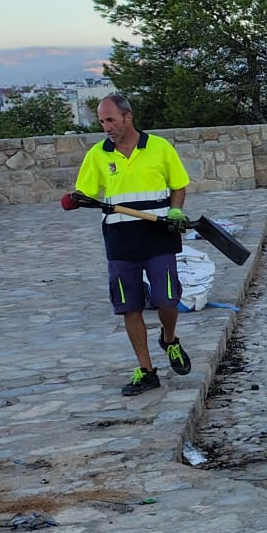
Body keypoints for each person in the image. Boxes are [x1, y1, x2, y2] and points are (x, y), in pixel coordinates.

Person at [74, 94, 194, 395]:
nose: (106, 127)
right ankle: (147, 370)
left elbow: (178, 185)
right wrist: (75, 200)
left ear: (128, 117)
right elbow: (84, 192)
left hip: (159, 233)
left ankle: (169, 339)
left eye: (111, 120)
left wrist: (175, 210)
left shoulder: (159, 148)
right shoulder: (98, 154)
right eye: (102, 122)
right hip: (120, 238)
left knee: (167, 299)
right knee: (130, 306)